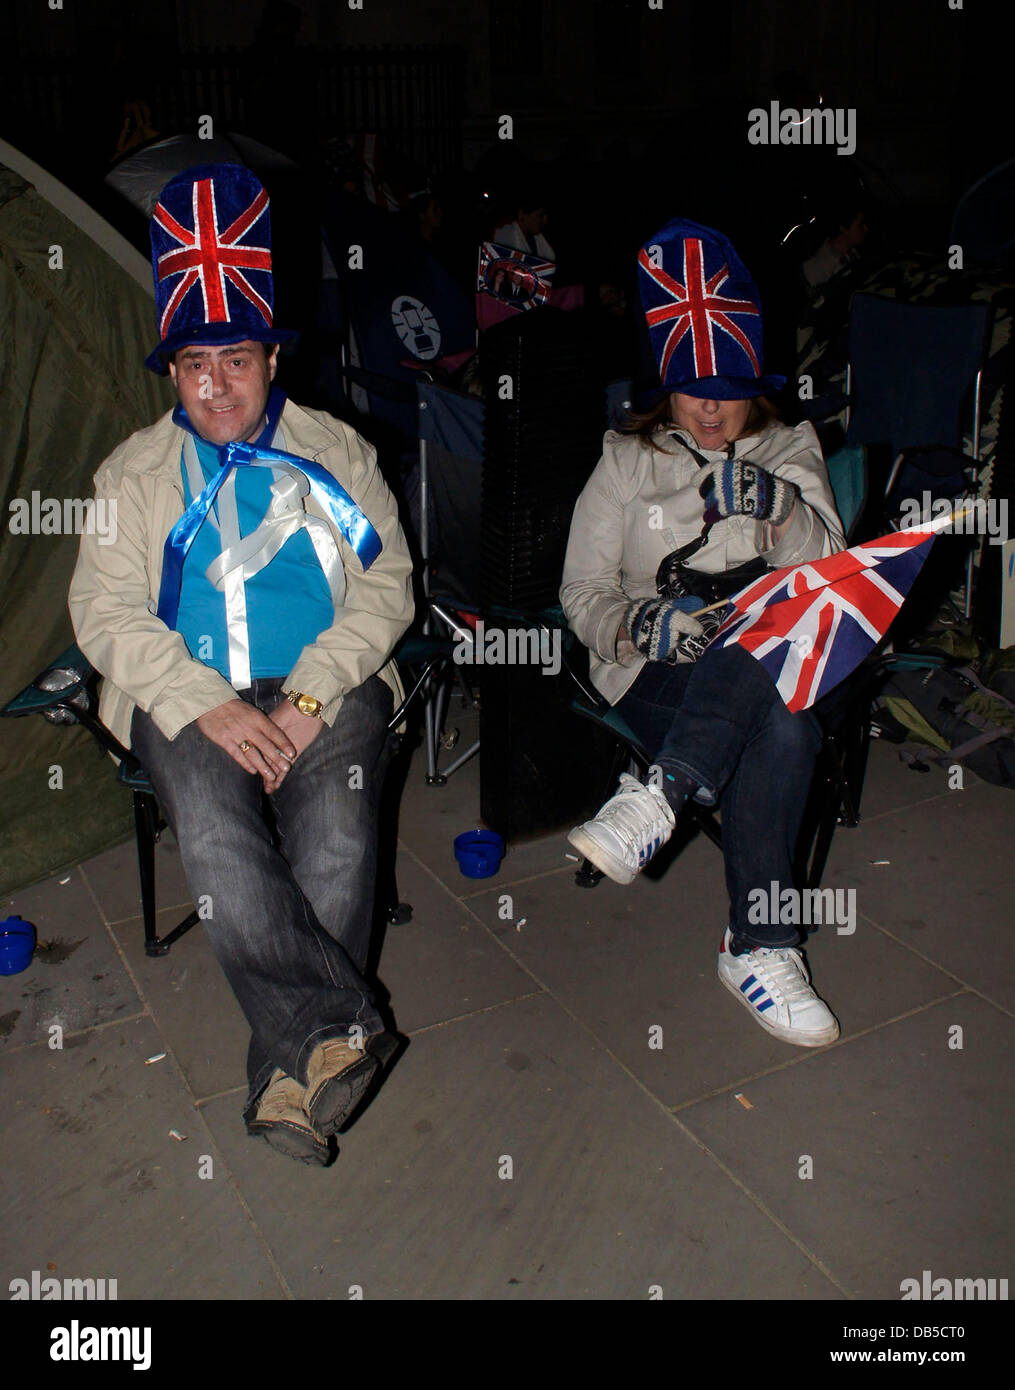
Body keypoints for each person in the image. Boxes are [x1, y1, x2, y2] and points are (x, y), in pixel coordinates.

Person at [68, 164, 415, 1164]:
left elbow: (387, 587)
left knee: (340, 830)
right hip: (187, 692)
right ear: (170, 373)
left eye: (233, 358)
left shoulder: (338, 453)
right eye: (190, 365)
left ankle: (290, 1080)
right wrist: (199, 703)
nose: (213, 385)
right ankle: (338, 1031)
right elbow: (100, 610)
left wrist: (310, 696)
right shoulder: (132, 476)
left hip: (325, 681)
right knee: (217, 832)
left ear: (272, 355)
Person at [561, 218, 847, 1048]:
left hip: (765, 654)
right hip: (655, 669)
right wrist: (634, 622)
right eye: (692, 387)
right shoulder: (624, 458)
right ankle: (757, 946)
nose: (712, 407)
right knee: (785, 733)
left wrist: (785, 512)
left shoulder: (789, 444)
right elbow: (580, 590)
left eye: (727, 388)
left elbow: (830, 571)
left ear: (755, 383)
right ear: (665, 383)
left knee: (766, 679)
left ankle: (659, 795)